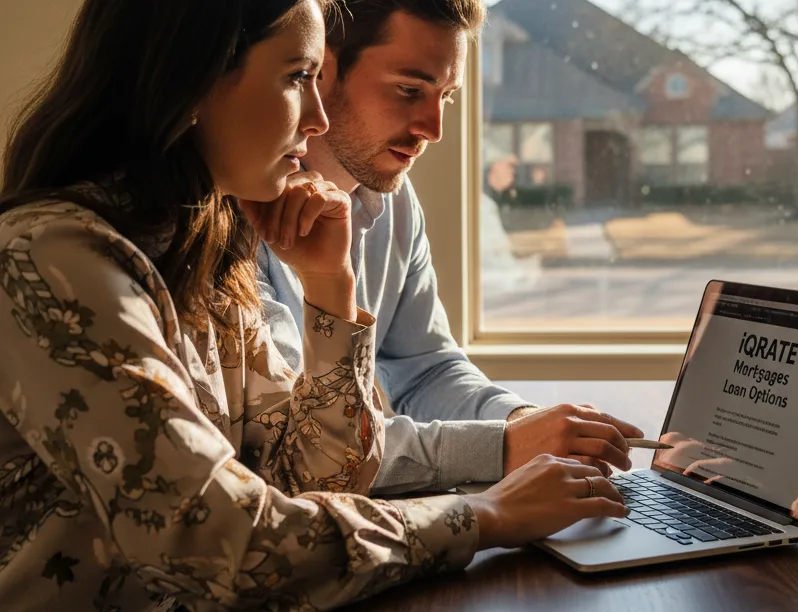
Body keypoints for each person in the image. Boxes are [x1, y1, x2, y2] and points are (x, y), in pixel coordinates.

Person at [0, 2, 629, 609]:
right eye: (299, 77)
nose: (318, 116)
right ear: (193, 75)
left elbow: (313, 482)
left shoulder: (206, 253)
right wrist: (486, 514)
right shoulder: (53, 259)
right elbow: (227, 545)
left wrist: (330, 285)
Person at [256, 0, 645, 485]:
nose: (432, 130)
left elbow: (426, 370)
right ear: (322, 69)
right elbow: (299, 441)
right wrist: (504, 449)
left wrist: (522, 423)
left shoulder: (393, 201)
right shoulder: (236, 205)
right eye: (408, 90)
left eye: (446, 97)